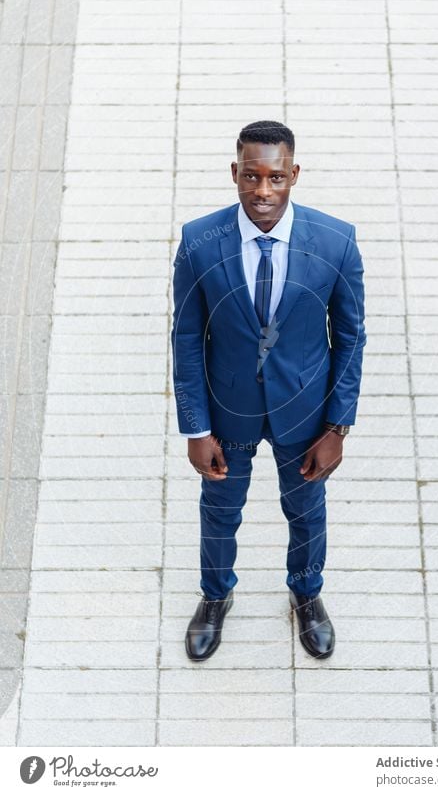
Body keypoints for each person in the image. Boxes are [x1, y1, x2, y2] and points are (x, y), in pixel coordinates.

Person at [171, 120, 367, 661]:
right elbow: (186, 339)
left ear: (294, 175)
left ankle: (306, 595)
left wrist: (337, 426)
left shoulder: (336, 241)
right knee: (219, 509)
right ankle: (215, 596)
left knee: (306, 510)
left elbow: (350, 338)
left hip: (304, 413)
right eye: (251, 176)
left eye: (276, 178)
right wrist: (195, 426)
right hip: (226, 409)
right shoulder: (198, 242)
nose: (263, 191)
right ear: (235, 173)